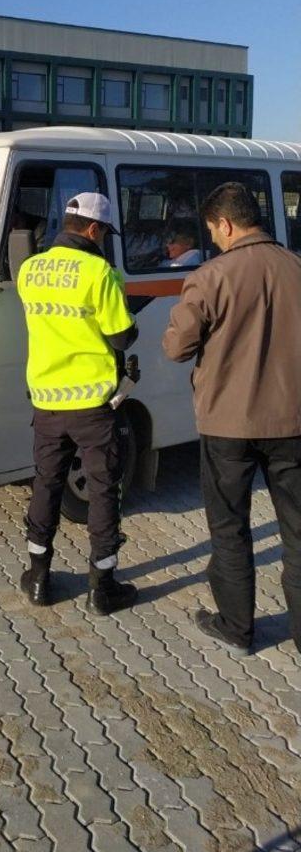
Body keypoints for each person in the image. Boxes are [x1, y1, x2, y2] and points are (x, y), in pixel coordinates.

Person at [163, 182, 301, 656]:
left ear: (225, 223)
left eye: (212, 232)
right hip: (292, 424)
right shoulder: (297, 267)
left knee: (230, 528)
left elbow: (178, 346)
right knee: (298, 533)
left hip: (228, 426)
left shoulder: (211, 275)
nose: (214, 240)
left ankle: (236, 627)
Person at [17, 191, 139, 614]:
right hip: (93, 405)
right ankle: (102, 588)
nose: (104, 238)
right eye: (104, 231)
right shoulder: (100, 273)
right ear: (92, 229)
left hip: (46, 401)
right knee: (104, 490)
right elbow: (122, 336)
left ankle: (37, 578)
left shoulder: (29, 269)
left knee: (46, 484)